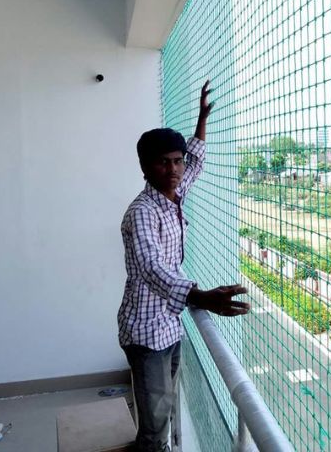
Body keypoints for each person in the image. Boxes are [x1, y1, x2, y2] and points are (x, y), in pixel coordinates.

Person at [117, 80, 250, 452]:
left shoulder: (173, 195)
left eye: (177, 161)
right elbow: (152, 268)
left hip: (168, 326)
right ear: (145, 167)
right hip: (145, 332)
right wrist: (201, 297)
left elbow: (198, 160)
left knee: (164, 408)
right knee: (155, 425)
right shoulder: (142, 212)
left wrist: (202, 119)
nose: (174, 169)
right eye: (163, 162)